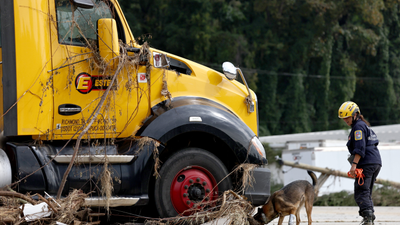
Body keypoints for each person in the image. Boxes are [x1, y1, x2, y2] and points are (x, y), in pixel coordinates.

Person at [338, 101, 382, 225]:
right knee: (366, 191)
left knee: (361, 191)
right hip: (375, 162)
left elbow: (360, 147)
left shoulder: (358, 128)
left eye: (347, 117)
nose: (345, 120)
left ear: (355, 114)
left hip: (367, 163)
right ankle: (369, 217)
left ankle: (368, 219)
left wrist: (354, 165)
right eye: (343, 118)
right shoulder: (364, 126)